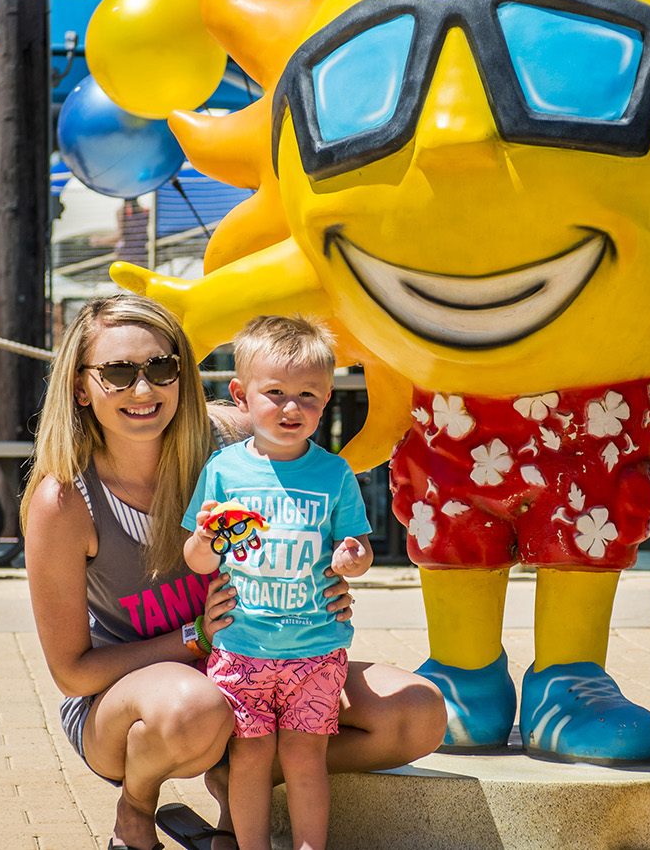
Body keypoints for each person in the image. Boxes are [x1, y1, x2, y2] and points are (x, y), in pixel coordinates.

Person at [22, 294, 444, 850]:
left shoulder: (233, 440)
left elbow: (313, 497)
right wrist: (195, 637)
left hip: (261, 663)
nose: (143, 389)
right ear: (81, 387)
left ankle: (240, 785)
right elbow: (74, 675)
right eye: (118, 373)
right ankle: (136, 808)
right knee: (196, 707)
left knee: (417, 712)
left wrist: (334, 569)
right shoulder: (64, 501)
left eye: (162, 368)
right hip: (132, 709)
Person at [182, 315, 374, 850]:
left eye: (308, 395)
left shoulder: (335, 474)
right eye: (275, 393)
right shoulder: (223, 470)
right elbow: (197, 559)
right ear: (240, 396)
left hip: (317, 649)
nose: (292, 408)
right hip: (242, 647)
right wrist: (204, 540)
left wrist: (353, 558)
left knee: (305, 756)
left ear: (327, 399)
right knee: (250, 755)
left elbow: (358, 549)